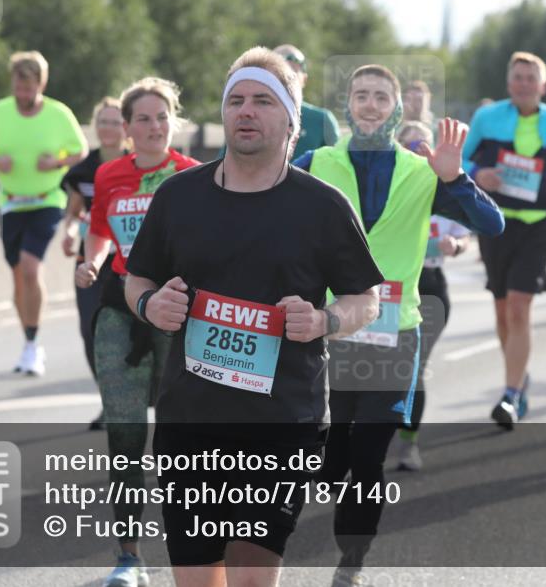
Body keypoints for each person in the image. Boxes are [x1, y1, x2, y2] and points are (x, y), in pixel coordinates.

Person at [124, 47, 383, 587]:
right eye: (236, 99)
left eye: (263, 100)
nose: (246, 110)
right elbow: (137, 278)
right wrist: (152, 305)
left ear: (292, 119)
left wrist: (323, 321)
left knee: (248, 582)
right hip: (189, 420)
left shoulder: (323, 205)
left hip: (280, 421)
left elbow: (367, 298)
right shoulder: (177, 196)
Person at [293, 64, 502, 584]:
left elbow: (492, 224)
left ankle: (352, 562)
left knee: (368, 457)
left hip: (394, 334)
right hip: (331, 330)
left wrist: (455, 178)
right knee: (335, 455)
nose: (369, 104)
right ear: (347, 106)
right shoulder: (315, 162)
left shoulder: (423, 170)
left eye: (380, 97)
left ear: (398, 109)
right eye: (360, 95)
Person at [74, 78, 199, 587]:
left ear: (175, 122)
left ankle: (192, 552)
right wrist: (92, 261)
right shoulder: (109, 175)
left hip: (177, 312)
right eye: (142, 119)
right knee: (124, 432)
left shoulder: (193, 176)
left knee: (177, 435)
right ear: (125, 128)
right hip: (120, 307)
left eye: (162, 117)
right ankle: (129, 557)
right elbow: (100, 228)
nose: (153, 127)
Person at [462, 51, 546, 429]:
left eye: (531, 78)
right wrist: (477, 172)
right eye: (517, 77)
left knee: (519, 306)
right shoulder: (487, 118)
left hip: (537, 224)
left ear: (543, 86)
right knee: (502, 310)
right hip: (495, 224)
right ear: (508, 83)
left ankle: (510, 393)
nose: (524, 84)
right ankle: (518, 377)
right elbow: (460, 160)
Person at [0, 51, 88, 375]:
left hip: (47, 200)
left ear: (42, 83)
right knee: (18, 278)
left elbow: (80, 150)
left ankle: (33, 346)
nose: (23, 94)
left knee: (29, 266)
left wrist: (55, 162)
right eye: (18, 87)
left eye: (29, 88)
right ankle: (27, 339)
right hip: (10, 201)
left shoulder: (58, 113)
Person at [393, 120, 472, 471]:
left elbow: (468, 235)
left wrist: (454, 245)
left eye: (424, 146)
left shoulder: (445, 189)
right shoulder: (387, 189)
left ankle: (409, 445)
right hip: (388, 287)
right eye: (410, 146)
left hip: (430, 286)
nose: (418, 152)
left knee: (413, 367)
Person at [61, 96, 129, 431]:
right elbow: (74, 213)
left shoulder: (139, 167)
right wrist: (70, 233)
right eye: (102, 122)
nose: (108, 129)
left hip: (130, 266)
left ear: (126, 127)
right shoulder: (85, 170)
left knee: (132, 335)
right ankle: (109, 402)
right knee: (91, 332)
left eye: (115, 122)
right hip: (90, 263)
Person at [273, 44, 340, 159]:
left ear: (304, 79)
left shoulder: (322, 120)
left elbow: (338, 165)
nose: (285, 78)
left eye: (293, 72)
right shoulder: (249, 115)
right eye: (278, 71)